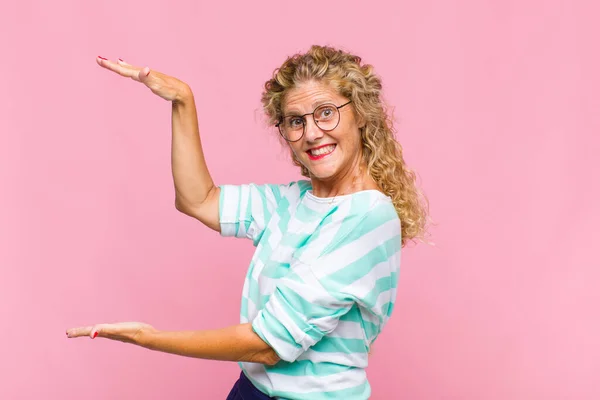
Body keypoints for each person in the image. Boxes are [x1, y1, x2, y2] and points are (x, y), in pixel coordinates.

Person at [67, 45, 430, 399]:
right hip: (251, 390)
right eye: (296, 121)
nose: (312, 133)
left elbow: (269, 345)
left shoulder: (367, 216)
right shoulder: (294, 200)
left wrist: (149, 338)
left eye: (326, 112)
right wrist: (183, 101)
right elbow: (199, 200)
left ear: (361, 114)